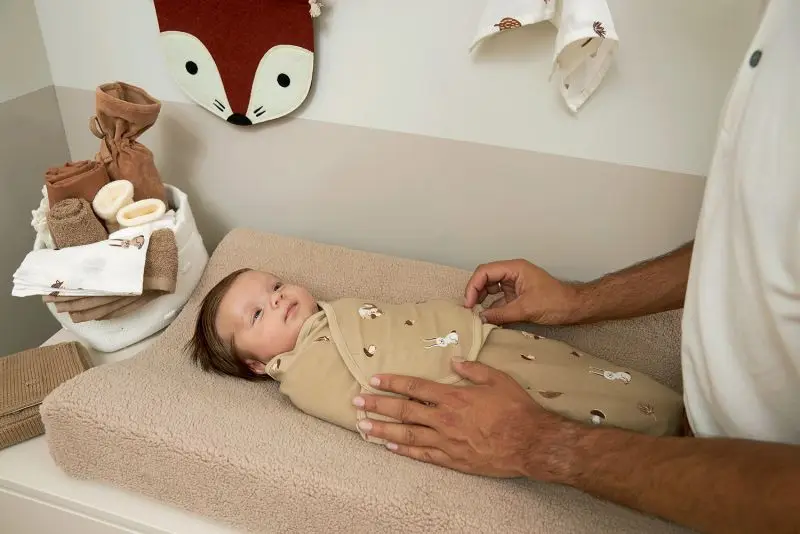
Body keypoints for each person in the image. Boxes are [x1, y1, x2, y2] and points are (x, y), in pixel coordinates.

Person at [352, 1, 800, 533]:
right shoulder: (781, 28)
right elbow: (749, 244)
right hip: (703, 440)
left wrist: (535, 444)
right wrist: (580, 299)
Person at [186, 268, 686, 444]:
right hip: (463, 382)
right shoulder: (299, 372)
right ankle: (669, 436)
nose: (276, 300)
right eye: (257, 315)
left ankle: (678, 411)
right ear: (257, 365)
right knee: (571, 407)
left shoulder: (336, 311)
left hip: (479, 342)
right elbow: (360, 406)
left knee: (584, 371)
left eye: (274, 286)